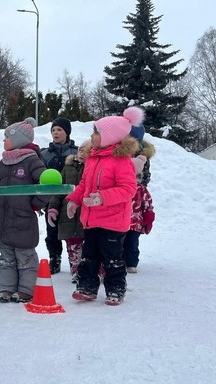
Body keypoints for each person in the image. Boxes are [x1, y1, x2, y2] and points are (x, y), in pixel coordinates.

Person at [66, 106, 143, 306]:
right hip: (91, 219)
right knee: (89, 255)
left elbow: (128, 189)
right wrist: (74, 199)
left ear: (109, 137)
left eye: (96, 132)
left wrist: (102, 197)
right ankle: (87, 287)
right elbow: (84, 184)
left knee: (112, 258)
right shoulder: (92, 158)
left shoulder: (121, 161)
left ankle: (116, 289)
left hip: (112, 221)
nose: (92, 135)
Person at [0, 117, 50, 303]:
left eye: (7, 137)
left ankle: (26, 290)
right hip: (4, 220)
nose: (4, 140)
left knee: (25, 256)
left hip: (23, 220)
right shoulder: (3, 162)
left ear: (19, 139)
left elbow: (45, 184)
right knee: (6, 257)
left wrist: (35, 204)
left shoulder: (32, 161)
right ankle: (6, 289)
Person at [45, 140, 90, 284]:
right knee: (73, 246)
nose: (82, 153)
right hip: (68, 215)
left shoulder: (92, 168)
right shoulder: (67, 168)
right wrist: (53, 208)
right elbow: (59, 192)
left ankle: (93, 271)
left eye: (86, 150)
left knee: (89, 246)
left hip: (86, 215)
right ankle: (76, 271)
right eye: (80, 150)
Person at [40, 118, 78, 274]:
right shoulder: (44, 154)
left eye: (59, 130)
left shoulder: (77, 152)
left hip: (72, 199)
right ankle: (54, 258)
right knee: (52, 231)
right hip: (52, 200)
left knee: (73, 231)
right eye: (53, 130)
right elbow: (39, 176)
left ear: (67, 132)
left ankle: (75, 260)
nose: (55, 133)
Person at [123, 155, 155, 273]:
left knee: (132, 244)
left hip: (136, 223)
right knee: (120, 242)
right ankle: (121, 261)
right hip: (121, 222)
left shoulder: (141, 189)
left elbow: (147, 203)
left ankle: (131, 263)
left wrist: (148, 217)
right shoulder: (122, 187)